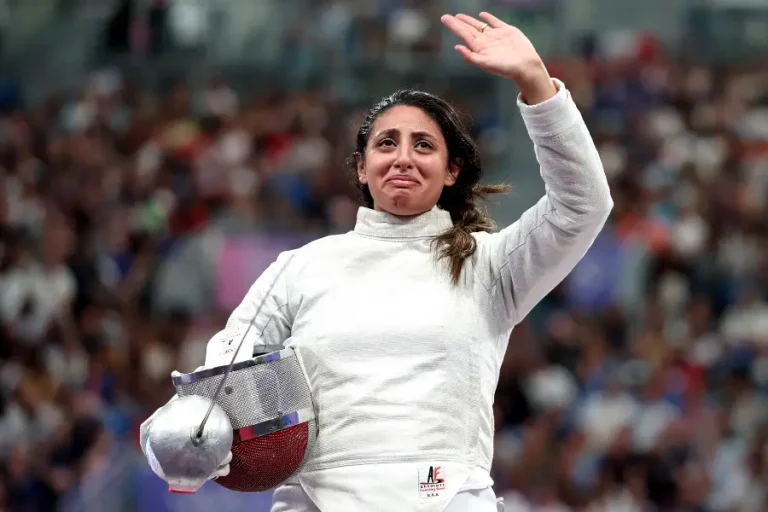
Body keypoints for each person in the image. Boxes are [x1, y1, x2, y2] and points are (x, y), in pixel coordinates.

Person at [140, 11, 613, 512]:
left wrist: (538, 86)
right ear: (362, 168)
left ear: (452, 171)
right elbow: (229, 363)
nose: (404, 158)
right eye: (387, 143)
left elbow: (583, 205)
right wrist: (197, 426)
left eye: (423, 145)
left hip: (449, 498)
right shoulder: (303, 266)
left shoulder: (488, 264)